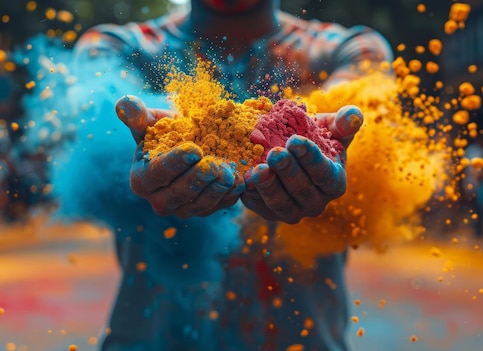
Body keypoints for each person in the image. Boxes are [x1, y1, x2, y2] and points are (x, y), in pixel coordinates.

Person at [50, 0, 392, 350]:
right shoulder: (114, 48)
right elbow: (98, 139)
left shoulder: (351, 50)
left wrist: (327, 150)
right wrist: (140, 147)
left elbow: (359, 142)